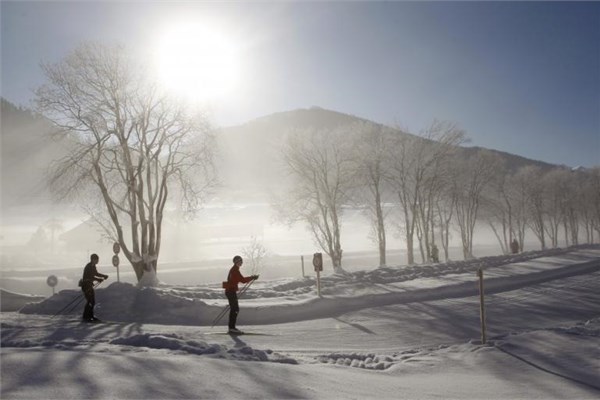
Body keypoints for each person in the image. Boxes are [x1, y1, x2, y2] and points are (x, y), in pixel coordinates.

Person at [223, 255, 258, 334]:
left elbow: (239, 280)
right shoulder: (235, 270)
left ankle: (231, 327)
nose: (241, 262)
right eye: (240, 261)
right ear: (236, 262)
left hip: (230, 291)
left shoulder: (234, 269)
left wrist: (252, 277)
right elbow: (242, 280)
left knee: (234, 309)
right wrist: (252, 277)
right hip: (230, 292)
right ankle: (231, 328)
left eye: (241, 261)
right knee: (235, 309)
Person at [80, 253, 108, 322]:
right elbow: (91, 276)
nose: (97, 261)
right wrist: (99, 279)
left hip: (89, 285)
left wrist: (103, 276)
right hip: (86, 285)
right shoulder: (88, 266)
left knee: (92, 301)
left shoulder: (93, 266)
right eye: (97, 260)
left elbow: (96, 273)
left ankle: (89, 316)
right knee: (90, 301)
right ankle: (87, 316)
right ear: (93, 259)